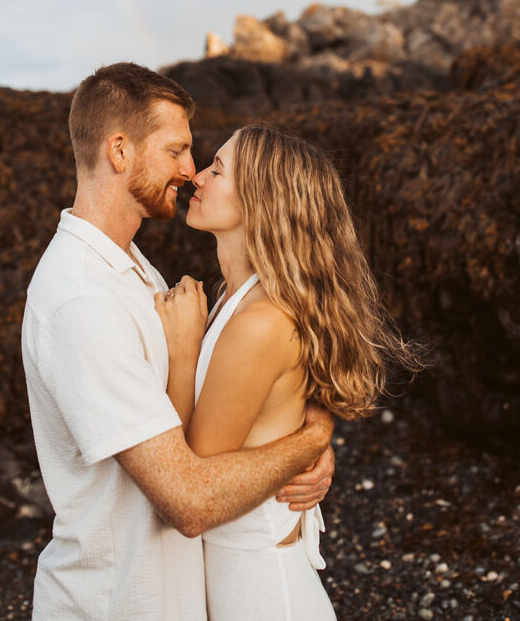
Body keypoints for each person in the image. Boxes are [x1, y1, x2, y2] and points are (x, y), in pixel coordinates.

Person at [21, 64, 335, 621]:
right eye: (178, 150)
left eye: (204, 159)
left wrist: (295, 424)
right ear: (119, 151)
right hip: (116, 605)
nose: (190, 171)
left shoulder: (135, 270)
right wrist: (309, 441)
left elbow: (236, 401)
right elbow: (189, 500)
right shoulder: (81, 301)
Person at [156, 124, 423, 620]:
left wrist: (182, 352)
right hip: (240, 575)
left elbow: (190, 477)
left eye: (217, 169)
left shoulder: (259, 322)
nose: (196, 177)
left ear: (262, 200)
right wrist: (316, 435)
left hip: (257, 589)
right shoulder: (235, 299)